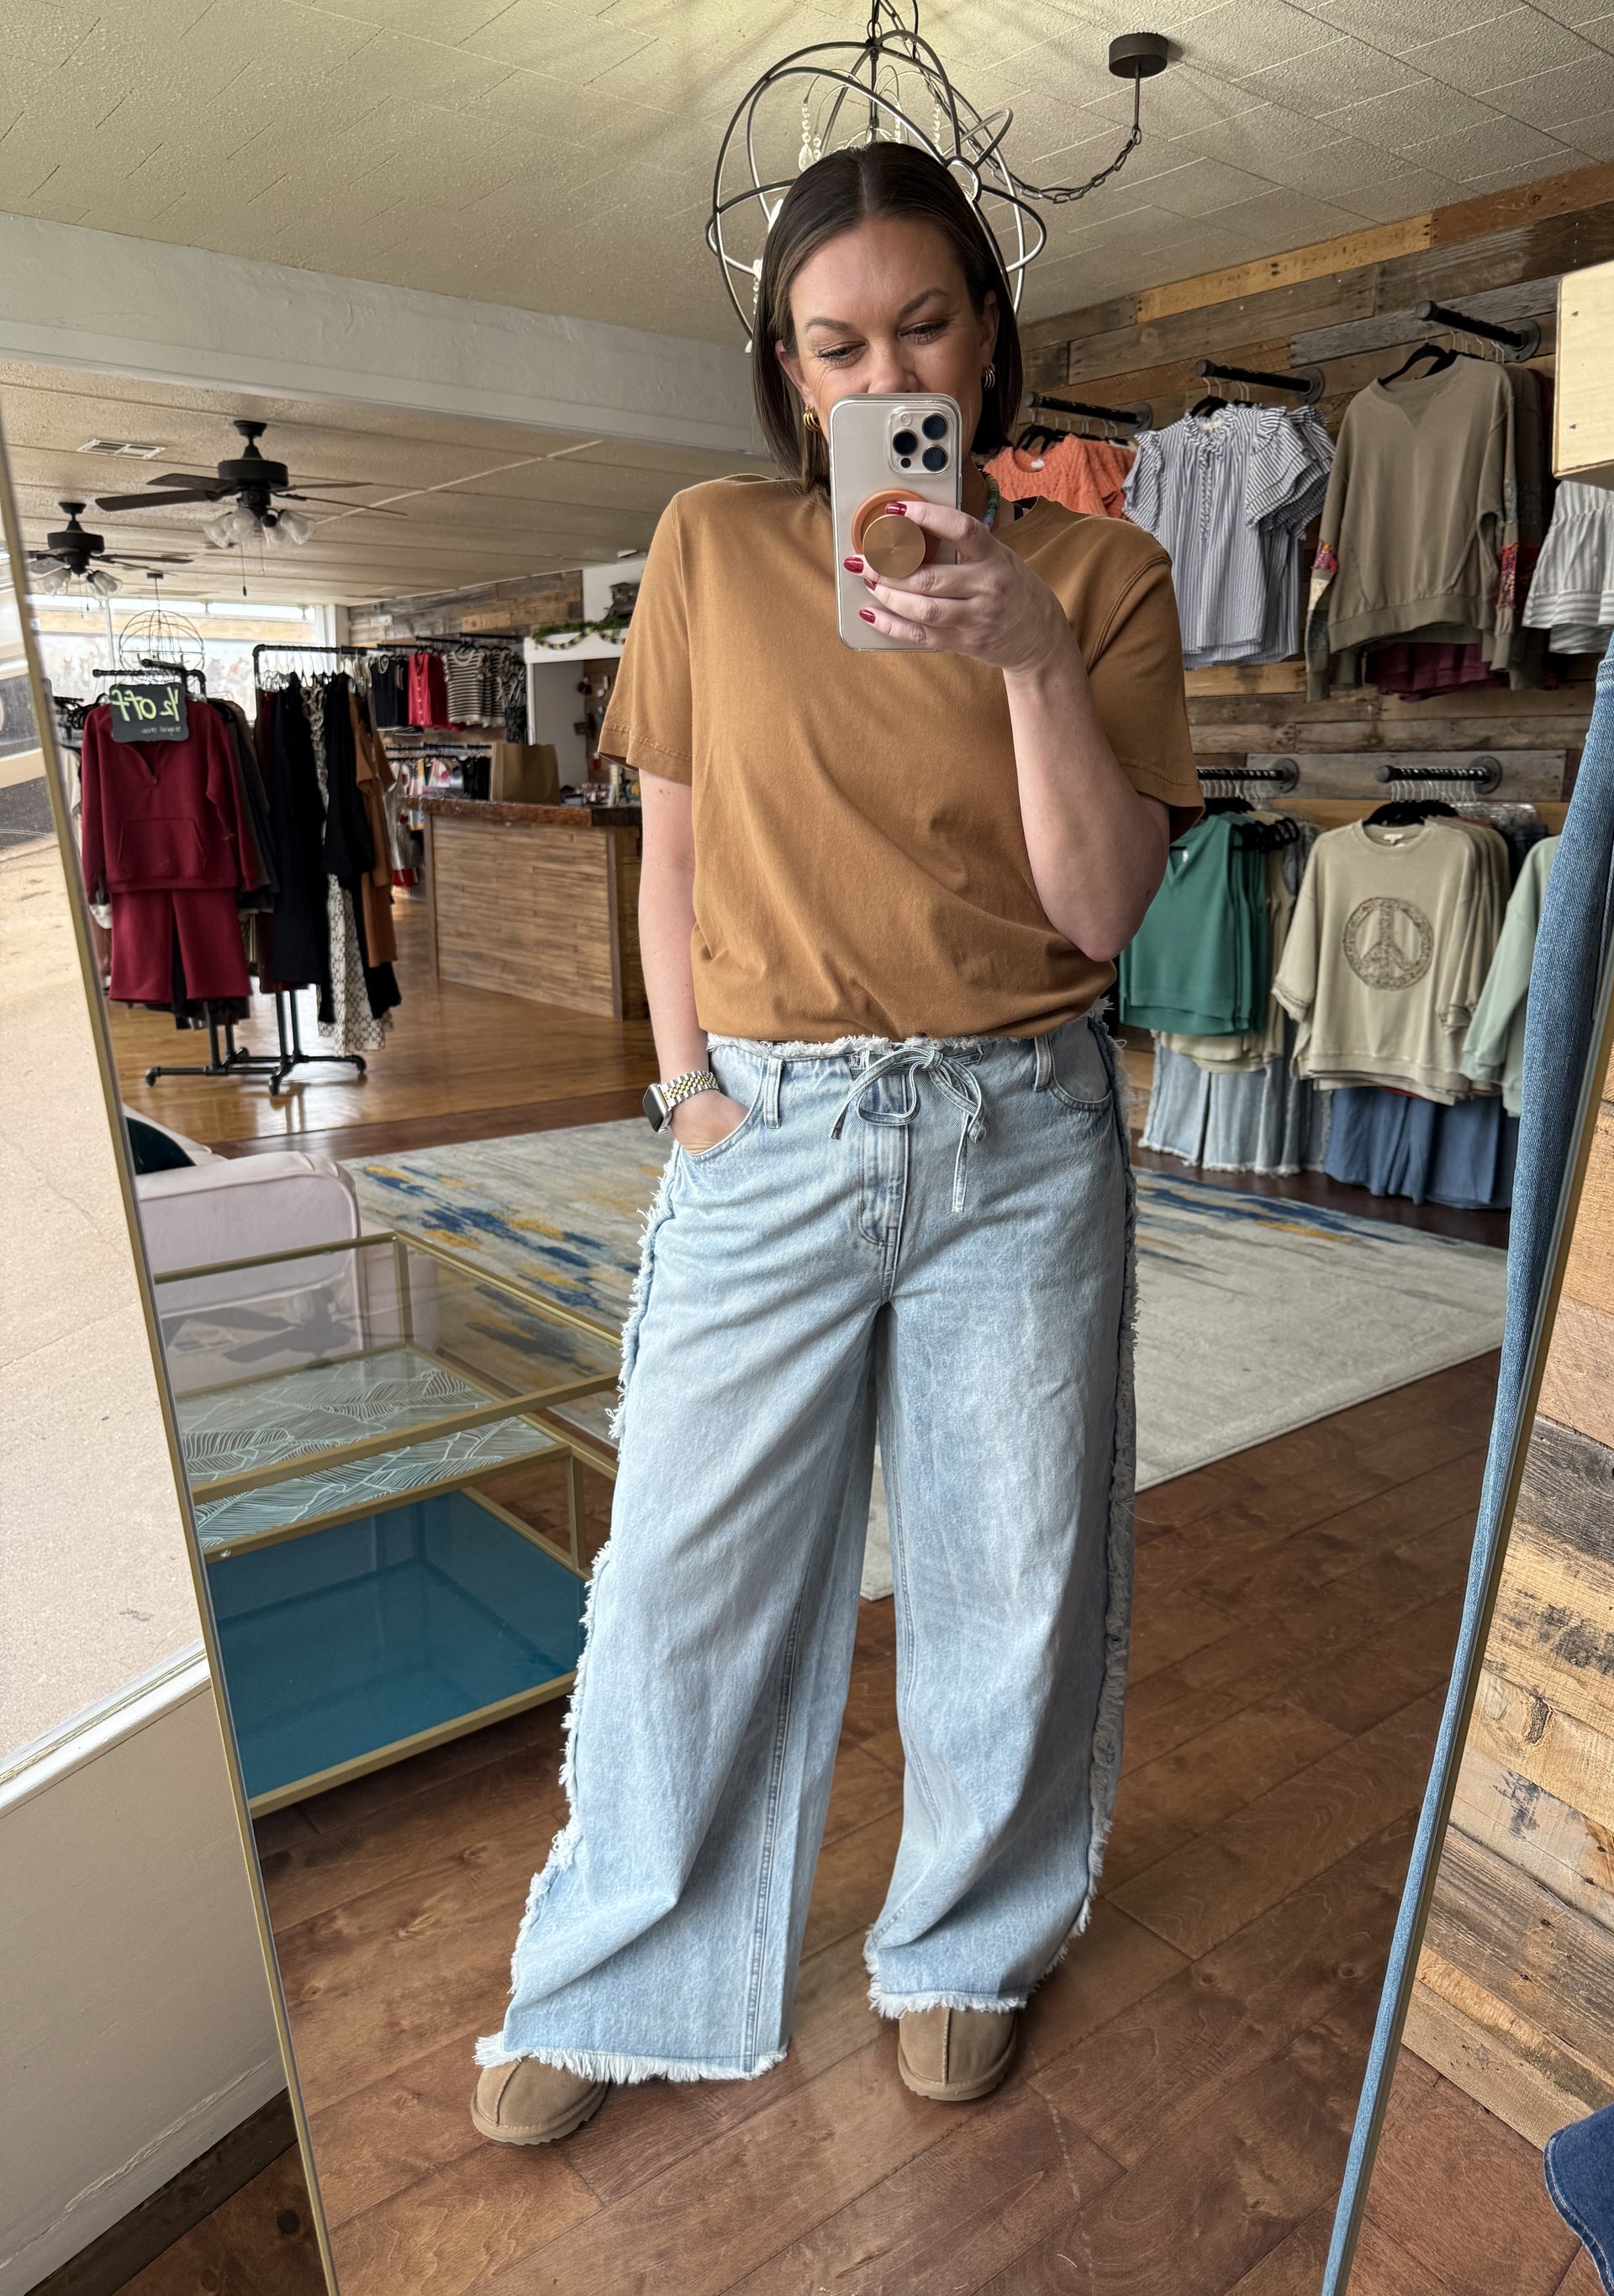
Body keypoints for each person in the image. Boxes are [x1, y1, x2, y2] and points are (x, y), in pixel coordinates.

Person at [470, 140, 1201, 2147]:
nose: (888, 372)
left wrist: (1025, 653)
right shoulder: (710, 546)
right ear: (789, 374)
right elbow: (673, 855)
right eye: (838, 343)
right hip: (769, 1128)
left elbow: (1101, 912)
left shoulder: (1104, 581)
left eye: (924, 325)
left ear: (989, 337)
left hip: (1019, 1131)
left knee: (1009, 1572)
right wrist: (687, 1093)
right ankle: (617, 1966)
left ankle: (964, 1944)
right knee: (681, 1575)